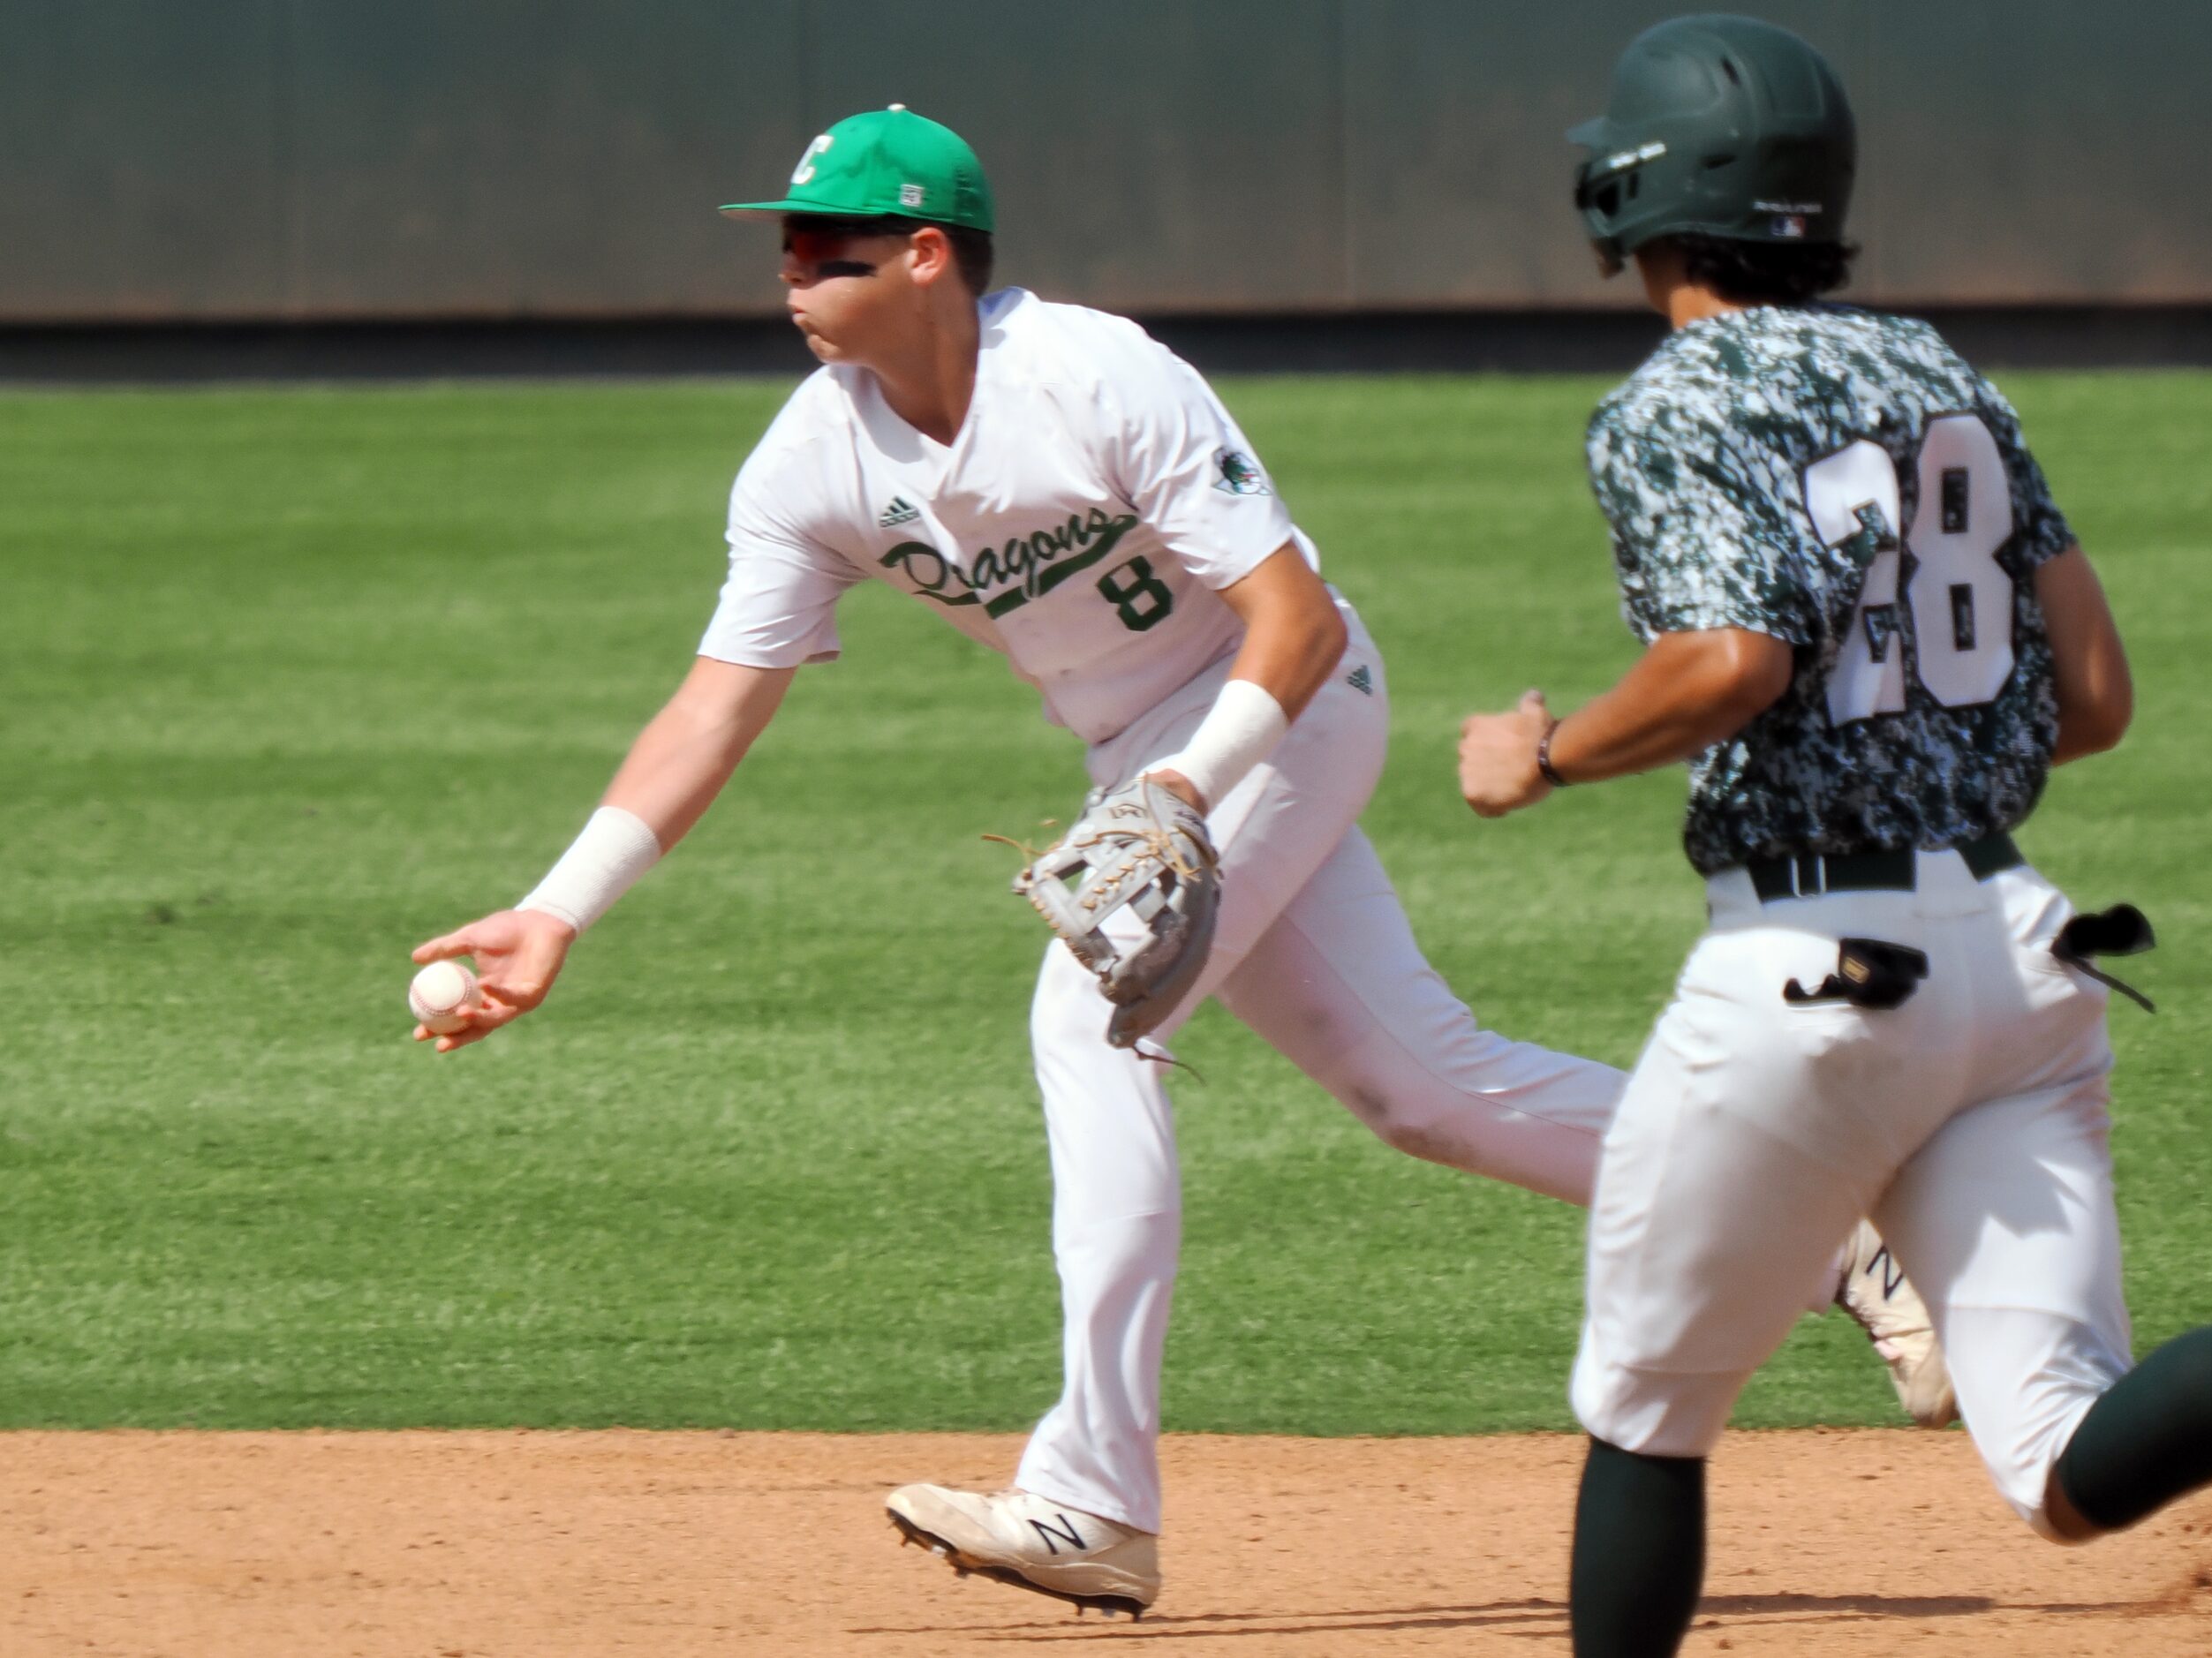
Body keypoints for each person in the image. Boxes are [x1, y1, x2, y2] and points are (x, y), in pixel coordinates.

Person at [411, 104, 1942, 1621]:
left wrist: (1182, 794)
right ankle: (1827, 1219)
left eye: (828, 244)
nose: (792, 269)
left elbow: (1300, 619)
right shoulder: (810, 460)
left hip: (1277, 712)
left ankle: (1092, 1499)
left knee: (1086, 1016)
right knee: (1424, 1087)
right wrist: (558, 908)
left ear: (928, 255)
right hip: (1139, 766)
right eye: (788, 245)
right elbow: (713, 704)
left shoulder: (1090, 373)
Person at [1456, 17, 2212, 1656]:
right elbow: (2090, 695)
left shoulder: (1672, 400)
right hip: (2025, 966)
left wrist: (1547, 752)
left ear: (1636, 187)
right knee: (2062, 1462)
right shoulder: (1948, 374)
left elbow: (1732, 661)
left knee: (1650, 1407)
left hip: (1816, 971)